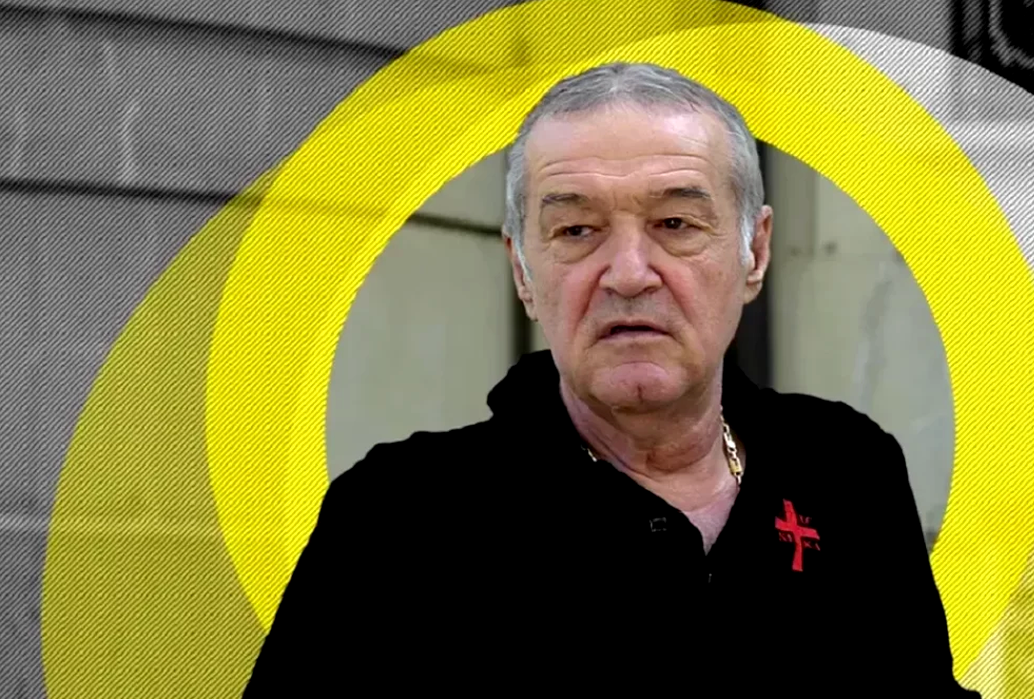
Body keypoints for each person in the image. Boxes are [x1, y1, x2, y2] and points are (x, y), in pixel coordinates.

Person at [243, 62, 980, 696]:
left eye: (676, 225)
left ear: (754, 252)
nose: (628, 274)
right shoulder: (399, 520)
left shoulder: (847, 471)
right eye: (576, 231)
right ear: (522, 270)